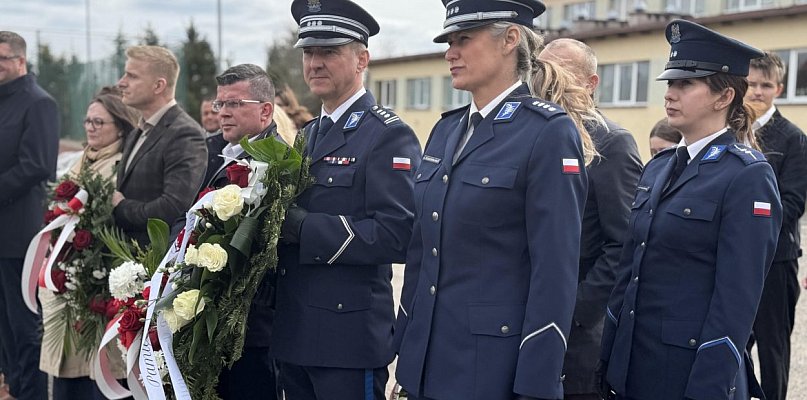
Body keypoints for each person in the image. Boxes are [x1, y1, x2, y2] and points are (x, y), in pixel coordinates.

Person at [394, 1, 591, 398]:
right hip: (428, 360)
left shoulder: (547, 132)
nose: (451, 52)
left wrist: (536, 382)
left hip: (493, 368)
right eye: (449, 41)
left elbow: (555, 271)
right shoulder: (446, 131)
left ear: (511, 40)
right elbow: (422, 251)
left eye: (464, 39)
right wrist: (407, 347)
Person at [599, 20, 782, 400]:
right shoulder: (657, 167)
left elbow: (737, 299)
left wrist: (710, 385)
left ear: (723, 96)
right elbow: (629, 272)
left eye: (685, 84)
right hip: (633, 365)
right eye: (669, 83)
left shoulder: (746, 175)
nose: (670, 94)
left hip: (689, 372)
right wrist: (609, 359)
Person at [272, 1, 422, 398]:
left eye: (329, 51)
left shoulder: (387, 135)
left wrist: (304, 228)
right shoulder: (307, 135)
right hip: (296, 332)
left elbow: (398, 233)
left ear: (362, 60)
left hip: (345, 339)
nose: (315, 63)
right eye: (308, 52)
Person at [537, 38, 643, 400]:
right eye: (541, 68)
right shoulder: (532, 136)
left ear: (590, 84)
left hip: (577, 336)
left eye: (560, 71)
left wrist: (575, 311)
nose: (547, 79)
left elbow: (624, 243)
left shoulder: (611, 143)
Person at [39, 87, 137, 400]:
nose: (91, 127)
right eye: (88, 121)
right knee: (69, 373)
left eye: (99, 122)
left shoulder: (121, 165)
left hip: (96, 285)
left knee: (96, 373)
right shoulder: (79, 162)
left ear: (120, 127)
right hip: (69, 283)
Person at [195, 63, 285, 400]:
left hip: (253, 329)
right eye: (221, 104)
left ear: (265, 111)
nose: (223, 113)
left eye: (234, 104)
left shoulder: (278, 163)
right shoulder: (217, 154)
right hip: (215, 321)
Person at [744, 51, 807, 400]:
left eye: (765, 85)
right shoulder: (732, 131)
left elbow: (793, 203)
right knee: (732, 343)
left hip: (775, 262)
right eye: (751, 83)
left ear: (778, 88)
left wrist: (744, 222)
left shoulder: (793, 139)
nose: (756, 91)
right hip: (734, 258)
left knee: (772, 350)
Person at [0, 30, 58, 400]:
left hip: (20, 235)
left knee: (23, 327)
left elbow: (36, 165)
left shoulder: (39, 103)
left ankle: (32, 394)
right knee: (3, 329)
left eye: (2, 59)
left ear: (20, 61)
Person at [113, 45, 207, 245]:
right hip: (127, 261)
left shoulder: (185, 134)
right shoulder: (139, 131)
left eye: (132, 76)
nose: (121, 83)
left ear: (158, 86)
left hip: (153, 263)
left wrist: (121, 207)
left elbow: (173, 208)